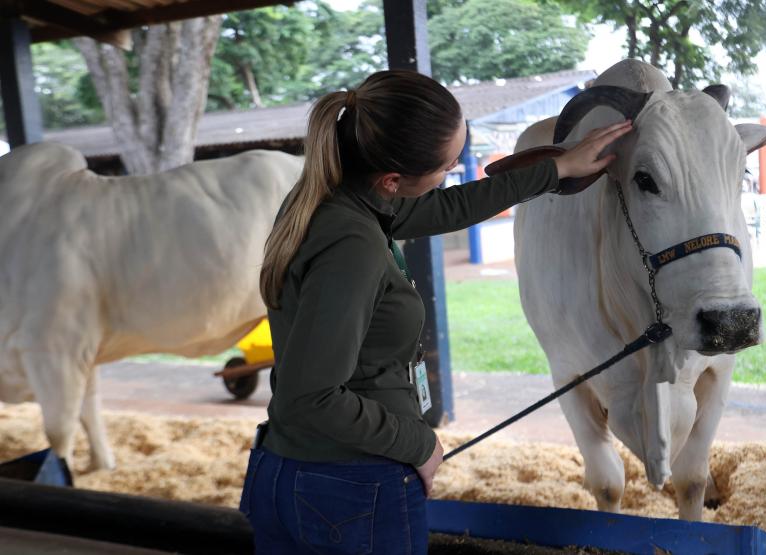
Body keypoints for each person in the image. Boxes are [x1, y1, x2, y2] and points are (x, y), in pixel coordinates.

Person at [239, 69, 632, 554]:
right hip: (348, 489)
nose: (451, 173)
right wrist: (419, 444)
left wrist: (557, 168)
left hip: (290, 471)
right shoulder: (353, 242)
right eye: (446, 167)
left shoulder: (336, 200)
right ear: (393, 180)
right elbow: (312, 396)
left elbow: (450, 207)